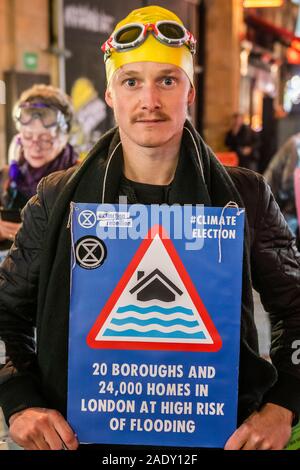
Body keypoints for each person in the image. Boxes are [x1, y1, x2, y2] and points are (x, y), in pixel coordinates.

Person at [0, 5, 300, 451]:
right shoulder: (57, 199)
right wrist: (19, 399)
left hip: (214, 435)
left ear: (190, 91)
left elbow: (296, 307)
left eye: (167, 80)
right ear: (110, 94)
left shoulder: (245, 197)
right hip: (82, 437)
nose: (149, 101)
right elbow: (7, 314)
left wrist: (283, 405)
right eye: (131, 81)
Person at [0, 84, 78, 257]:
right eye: (28, 137)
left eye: (45, 139)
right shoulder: (5, 178)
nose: (35, 148)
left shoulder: (81, 177)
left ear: (65, 136)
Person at [264, 132, 300, 238]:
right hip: (271, 194)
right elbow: (288, 181)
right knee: (291, 216)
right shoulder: (296, 144)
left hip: (275, 195)